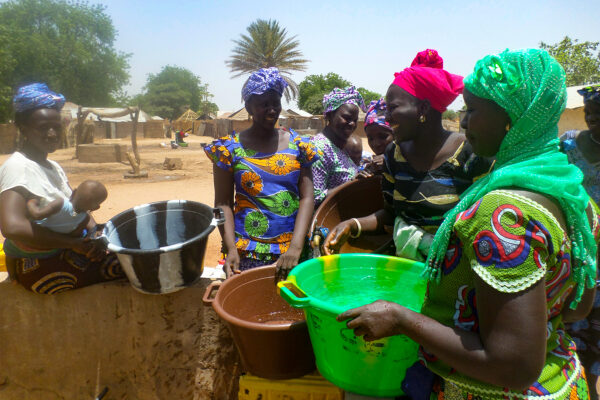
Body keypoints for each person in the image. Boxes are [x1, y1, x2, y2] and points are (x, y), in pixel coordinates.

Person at [338, 49, 598, 399]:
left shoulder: (501, 215)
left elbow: (514, 366)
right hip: (564, 380)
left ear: (512, 117)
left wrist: (401, 319)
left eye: (472, 110)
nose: (463, 122)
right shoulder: (577, 199)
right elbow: (577, 307)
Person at [324, 49, 493, 261]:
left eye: (393, 107)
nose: (387, 116)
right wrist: (351, 225)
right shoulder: (394, 155)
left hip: (455, 278)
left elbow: (486, 228)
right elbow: (392, 214)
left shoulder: (471, 153)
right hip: (405, 272)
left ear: (422, 108)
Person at [0, 83, 122, 294]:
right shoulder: (18, 167)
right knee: (128, 261)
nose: (51, 134)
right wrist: (72, 243)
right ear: (23, 129)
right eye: (42, 127)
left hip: (64, 248)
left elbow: (77, 208)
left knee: (122, 237)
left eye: (56, 127)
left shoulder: (53, 167)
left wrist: (93, 235)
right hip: (38, 265)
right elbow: (12, 227)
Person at [204, 68, 319, 279]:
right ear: (248, 106)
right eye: (263, 104)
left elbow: (307, 197)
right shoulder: (228, 149)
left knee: (292, 309)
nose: (271, 109)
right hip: (246, 250)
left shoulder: (299, 145)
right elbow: (223, 203)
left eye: (275, 102)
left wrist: (295, 247)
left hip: (293, 253)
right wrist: (230, 248)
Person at [560, 84, 600, 399]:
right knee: (571, 317)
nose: (594, 120)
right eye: (590, 114)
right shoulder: (568, 145)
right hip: (576, 242)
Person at [310, 86, 366, 207]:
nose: (352, 124)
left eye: (355, 120)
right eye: (346, 118)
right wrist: (352, 183)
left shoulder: (339, 146)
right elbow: (314, 199)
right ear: (329, 115)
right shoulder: (320, 148)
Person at [27, 179, 107, 235]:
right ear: (95, 208)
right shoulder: (84, 219)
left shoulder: (60, 203)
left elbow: (37, 215)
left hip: (39, 233)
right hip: (57, 241)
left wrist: (32, 201)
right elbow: (74, 235)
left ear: (74, 192)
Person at [359, 98, 394, 176]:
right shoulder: (370, 168)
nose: (376, 144)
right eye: (370, 138)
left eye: (383, 137)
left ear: (395, 135)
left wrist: (391, 163)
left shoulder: (415, 162)